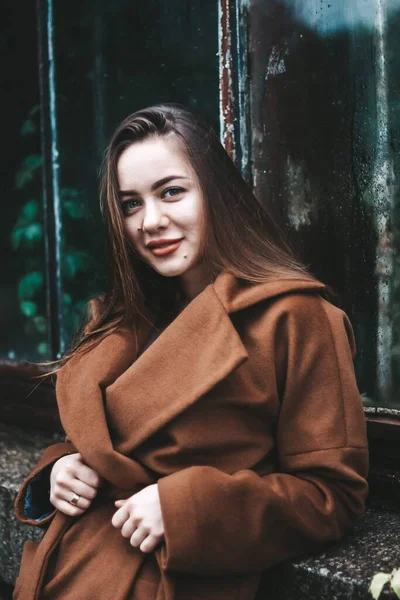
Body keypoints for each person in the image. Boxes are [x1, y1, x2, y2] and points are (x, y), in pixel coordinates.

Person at [13, 103, 369, 600]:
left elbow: (331, 495)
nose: (150, 221)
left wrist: (186, 509)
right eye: (131, 203)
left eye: (172, 192)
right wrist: (61, 469)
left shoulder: (294, 316)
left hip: (172, 582)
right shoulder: (118, 317)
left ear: (217, 194)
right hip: (69, 573)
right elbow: (110, 444)